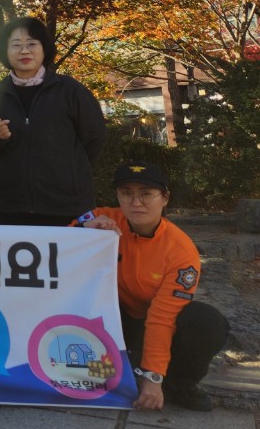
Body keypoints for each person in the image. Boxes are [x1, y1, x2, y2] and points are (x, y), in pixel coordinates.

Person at [81, 162, 230, 412]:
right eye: (126, 193)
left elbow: (163, 317)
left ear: (165, 198)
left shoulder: (180, 251)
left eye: (146, 194)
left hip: (150, 322)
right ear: (117, 196)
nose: (136, 202)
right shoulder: (103, 218)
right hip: (111, 318)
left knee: (207, 321)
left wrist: (152, 376)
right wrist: (83, 230)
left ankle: (179, 383)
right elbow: (56, 243)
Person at [0, 16, 107, 226]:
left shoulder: (69, 89)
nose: (24, 51)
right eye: (16, 45)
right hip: (12, 206)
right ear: (5, 52)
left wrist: (71, 171)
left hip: (69, 206)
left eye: (32, 44)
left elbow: (95, 137)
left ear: (44, 49)